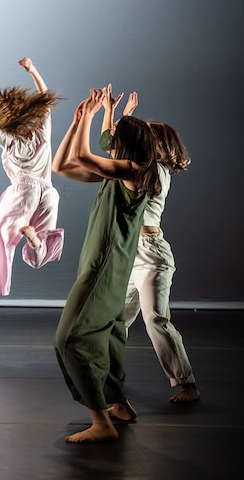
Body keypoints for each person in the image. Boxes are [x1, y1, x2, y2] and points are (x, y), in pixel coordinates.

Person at [51, 86, 160, 443]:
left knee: (69, 339)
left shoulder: (131, 171)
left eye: (113, 138)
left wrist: (93, 115)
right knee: (111, 339)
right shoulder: (119, 173)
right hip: (109, 270)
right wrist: (78, 121)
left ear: (125, 146)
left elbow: (84, 155)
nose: (108, 141)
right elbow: (61, 166)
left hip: (103, 271)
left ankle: (101, 422)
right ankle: (120, 406)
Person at [101, 93, 200, 403]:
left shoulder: (154, 171)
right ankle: (107, 375)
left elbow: (113, 156)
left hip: (152, 255)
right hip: (132, 252)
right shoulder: (144, 166)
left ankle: (188, 383)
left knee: (155, 318)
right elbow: (114, 150)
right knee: (117, 319)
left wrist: (118, 118)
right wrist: (116, 113)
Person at [0, 57, 64, 323]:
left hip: (23, 192)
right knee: (38, 256)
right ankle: (34, 240)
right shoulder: (43, 132)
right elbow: (44, 95)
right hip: (49, 194)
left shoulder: (10, 142)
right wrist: (33, 69)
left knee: (4, 242)